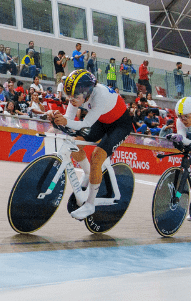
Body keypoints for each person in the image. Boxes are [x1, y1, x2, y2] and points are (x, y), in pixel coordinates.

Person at [48, 70, 132, 220]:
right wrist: (56, 116)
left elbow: (85, 123)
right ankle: (88, 173)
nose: (71, 100)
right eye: (69, 96)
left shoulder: (100, 96)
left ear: (87, 93)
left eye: (75, 97)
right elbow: (68, 117)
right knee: (75, 146)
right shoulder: (79, 92)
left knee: (97, 157)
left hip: (120, 125)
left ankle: (90, 204)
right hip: (102, 120)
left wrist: (65, 121)